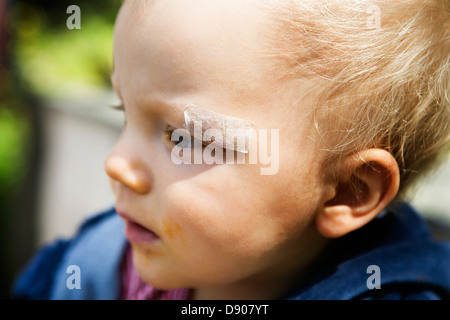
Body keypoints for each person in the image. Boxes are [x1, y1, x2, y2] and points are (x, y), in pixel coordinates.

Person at [13, 0, 450, 300]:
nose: (117, 164)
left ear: (346, 192)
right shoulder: (90, 268)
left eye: (185, 138)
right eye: (123, 109)